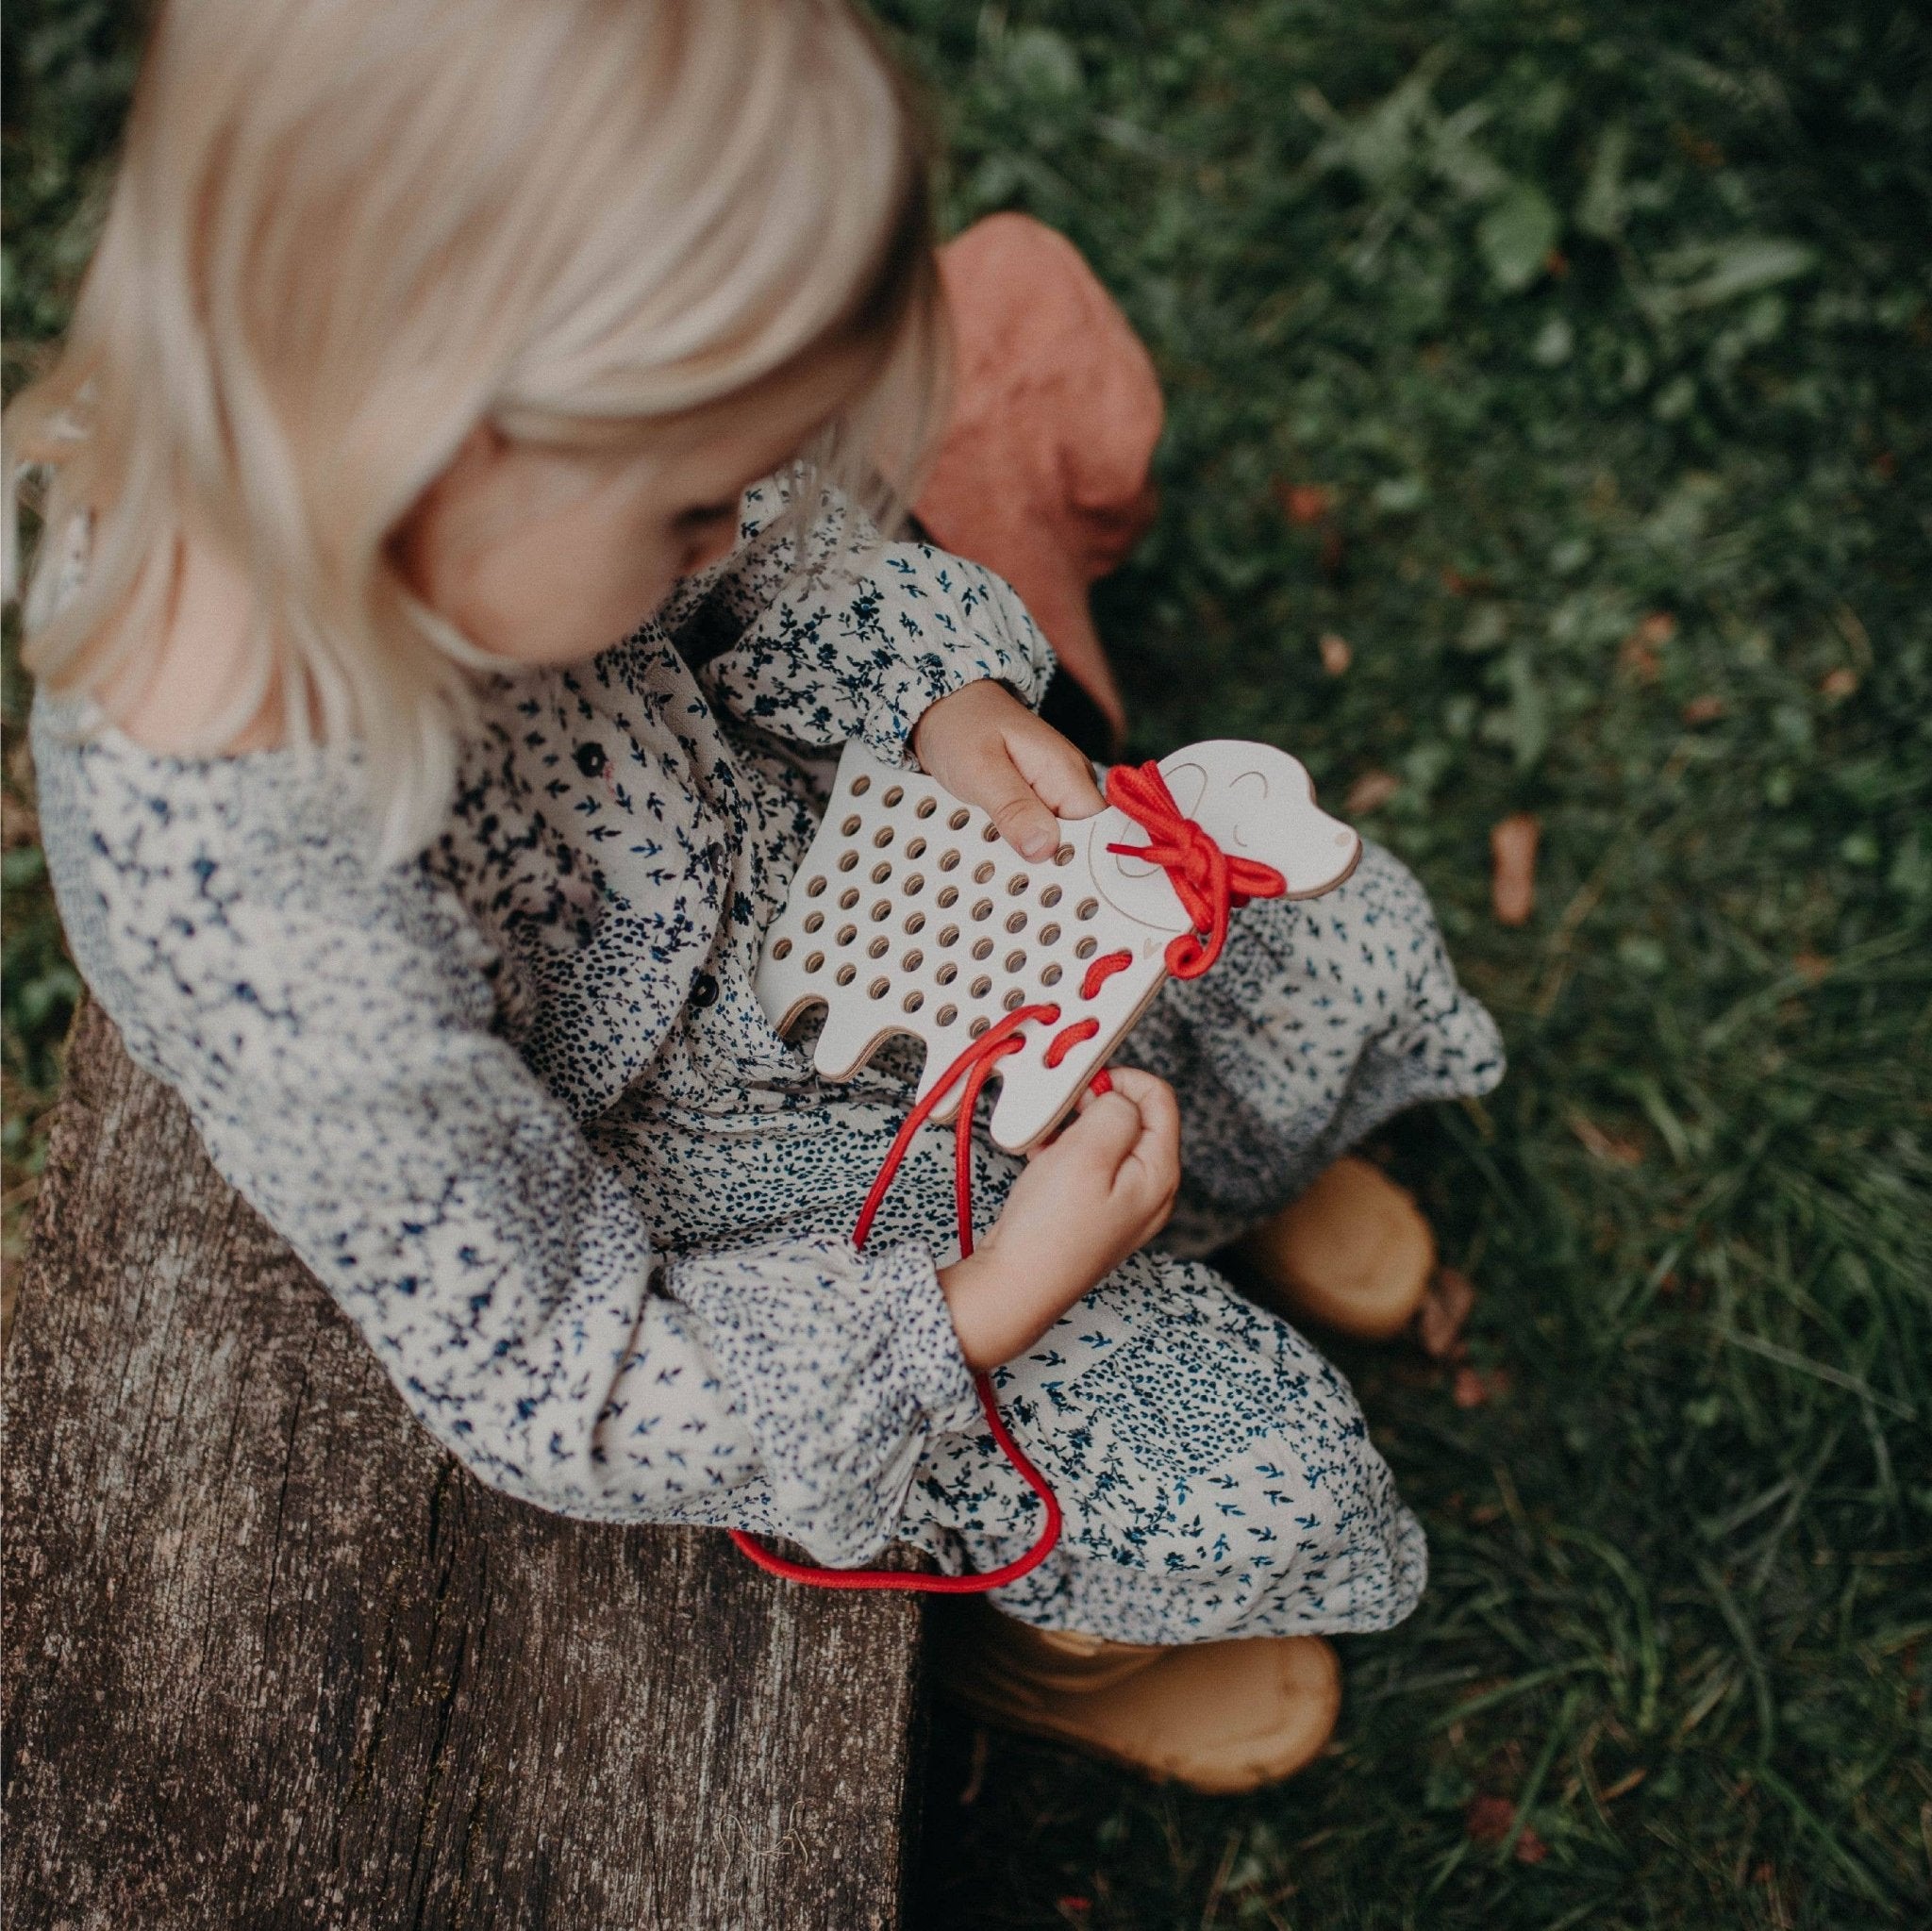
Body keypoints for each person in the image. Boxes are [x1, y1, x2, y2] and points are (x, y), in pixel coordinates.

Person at [7, 0, 1503, 1795]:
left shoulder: (490, 485)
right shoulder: (283, 937)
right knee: (1250, 1464)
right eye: (685, 509)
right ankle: (1054, 1639)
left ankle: (1216, 1172)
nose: (728, 528)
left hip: (828, 863)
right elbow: (567, 1373)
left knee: (1296, 936)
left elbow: (785, 543)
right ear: (438, 449)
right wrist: (973, 1315)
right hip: (712, 1187)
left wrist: (930, 697)